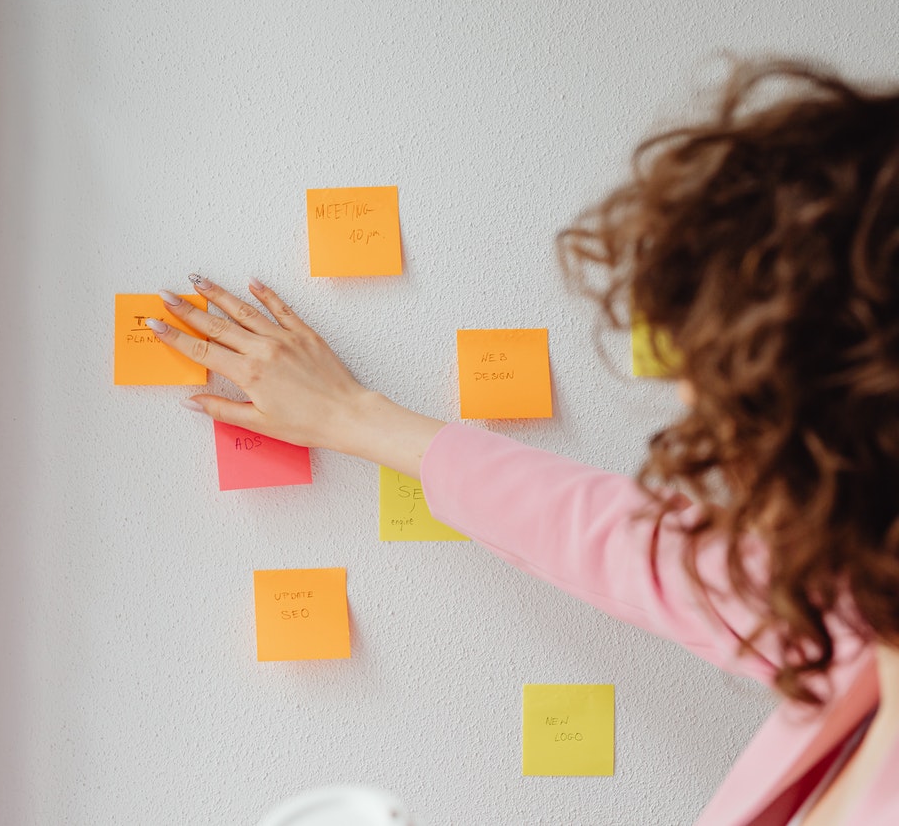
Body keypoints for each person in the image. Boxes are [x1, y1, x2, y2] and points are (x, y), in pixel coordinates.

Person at [145, 59, 899, 825]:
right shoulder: (853, 614)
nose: (708, 460)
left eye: (736, 427)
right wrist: (350, 415)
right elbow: (623, 540)